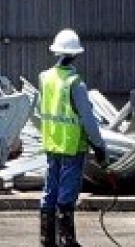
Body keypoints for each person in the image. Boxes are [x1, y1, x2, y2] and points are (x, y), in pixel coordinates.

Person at [37, 28, 107, 247]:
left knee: (50, 190)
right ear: (77, 54)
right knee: (67, 193)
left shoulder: (45, 78)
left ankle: (46, 239)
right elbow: (88, 120)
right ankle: (66, 240)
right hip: (71, 146)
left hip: (51, 143)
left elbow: (42, 110)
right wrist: (99, 147)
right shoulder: (75, 83)